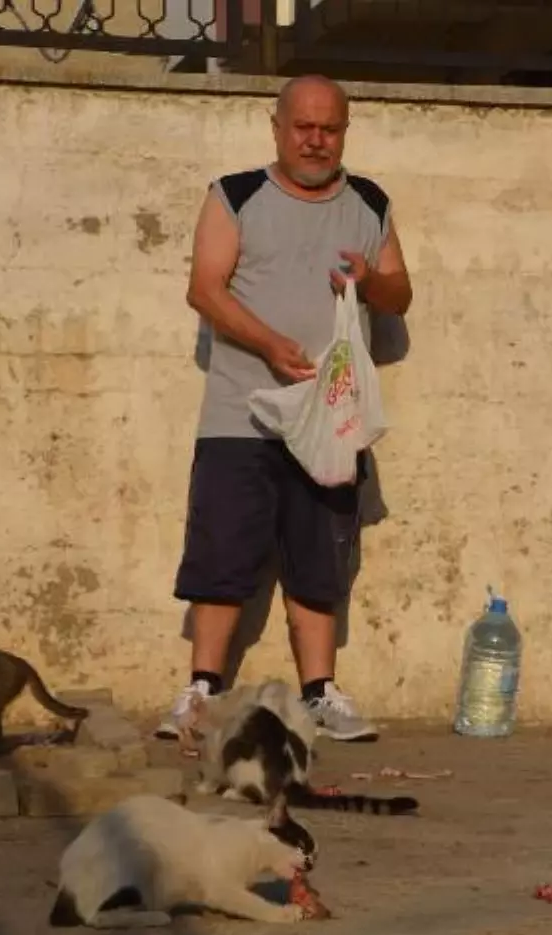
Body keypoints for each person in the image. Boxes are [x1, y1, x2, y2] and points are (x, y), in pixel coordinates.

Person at [154, 74, 413, 744]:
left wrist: (370, 278)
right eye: (304, 126)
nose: (316, 139)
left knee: (320, 558)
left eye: (329, 128)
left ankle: (321, 695)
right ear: (277, 127)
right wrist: (267, 344)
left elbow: (400, 295)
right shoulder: (234, 195)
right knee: (221, 556)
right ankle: (201, 693)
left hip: (330, 423)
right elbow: (204, 291)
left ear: (344, 131)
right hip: (241, 414)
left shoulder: (369, 202)